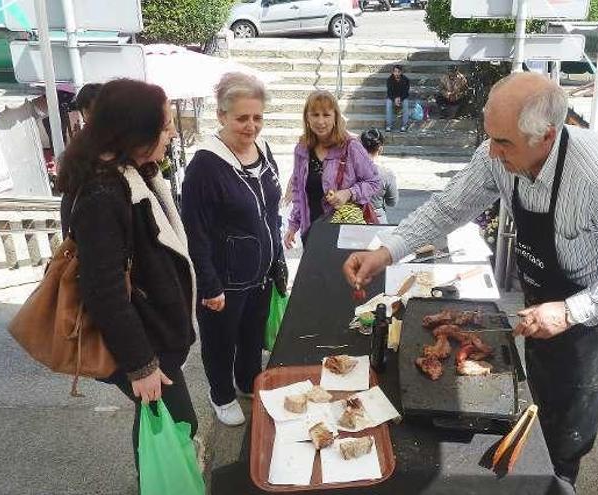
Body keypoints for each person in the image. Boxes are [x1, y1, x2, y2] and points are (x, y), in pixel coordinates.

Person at [343, 73, 598, 488]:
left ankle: (559, 482)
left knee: (567, 430)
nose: (493, 153)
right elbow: (448, 208)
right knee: (531, 400)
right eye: (491, 138)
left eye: (504, 143)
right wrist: (385, 251)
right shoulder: (496, 152)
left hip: (591, 315)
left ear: (547, 135)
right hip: (539, 296)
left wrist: (571, 311)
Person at [57, 79, 198, 473]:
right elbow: (103, 291)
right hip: (142, 342)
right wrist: (142, 367)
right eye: (165, 124)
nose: (172, 131)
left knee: (162, 425)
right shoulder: (103, 193)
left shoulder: (132, 172)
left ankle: (158, 478)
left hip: (153, 330)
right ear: (136, 132)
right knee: (178, 424)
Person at [181, 73, 285, 426]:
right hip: (225, 280)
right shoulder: (204, 166)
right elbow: (195, 232)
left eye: (257, 117)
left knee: (253, 334)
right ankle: (221, 394)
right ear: (222, 116)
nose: (251, 126)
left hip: (260, 273)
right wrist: (209, 285)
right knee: (220, 341)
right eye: (242, 118)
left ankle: (247, 381)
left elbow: (272, 212)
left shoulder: (265, 150)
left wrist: (278, 261)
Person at [284, 90, 381, 247]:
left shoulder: (351, 147)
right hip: (311, 232)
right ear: (307, 117)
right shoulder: (301, 149)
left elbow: (374, 182)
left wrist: (349, 193)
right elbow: (298, 191)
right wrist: (293, 225)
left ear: (335, 116)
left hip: (345, 233)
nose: (320, 121)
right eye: (315, 114)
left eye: (326, 115)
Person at [359, 128, 398, 224]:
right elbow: (392, 202)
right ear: (380, 148)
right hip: (377, 218)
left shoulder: (350, 170)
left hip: (353, 217)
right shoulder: (387, 174)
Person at [385, 65, 410, 132]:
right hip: (392, 97)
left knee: (405, 103)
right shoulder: (389, 80)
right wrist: (394, 99)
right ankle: (388, 125)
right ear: (393, 72)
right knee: (388, 103)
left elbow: (406, 92)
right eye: (395, 71)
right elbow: (389, 92)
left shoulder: (406, 80)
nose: (397, 73)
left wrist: (400, 99)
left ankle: (404, 125)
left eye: (398, 72)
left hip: (402, 97)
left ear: (401, 72)